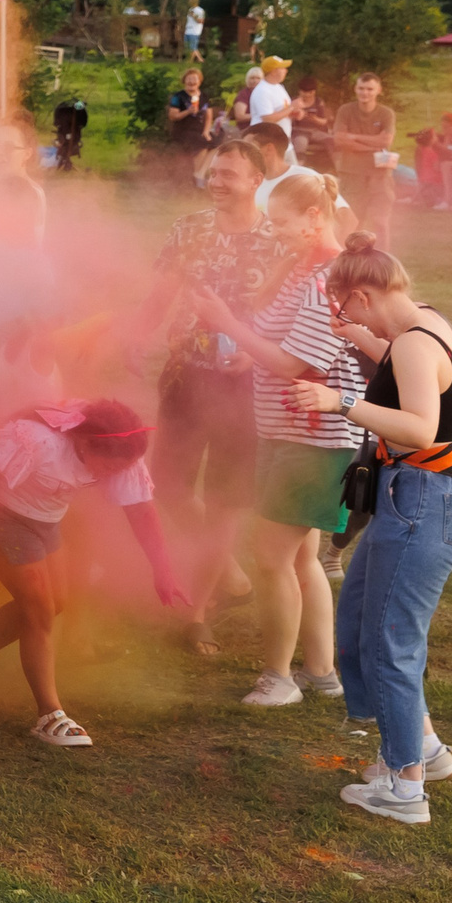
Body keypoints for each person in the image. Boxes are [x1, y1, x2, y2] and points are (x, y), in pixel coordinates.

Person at [288, 237, 452, 824]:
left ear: (362, 294)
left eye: (346, 310)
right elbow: (396, 357)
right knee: (361, 621)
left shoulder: (417, 346)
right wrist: (355, 339)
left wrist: (338, 398)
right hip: (419, 500)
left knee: (392, 644)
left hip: (425, 501)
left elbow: (420, 427)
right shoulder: (420, 324)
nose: (345, 318)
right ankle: (421, 750)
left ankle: (404, 788)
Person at [188, 171, 362, 706]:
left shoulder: (330, 279)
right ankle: (321, 671)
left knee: (270, 558)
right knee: (300, 556)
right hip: (285, 429)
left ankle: (279, 678)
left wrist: (228, 324)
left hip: (314, 437)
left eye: (283, 223)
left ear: (315, 217)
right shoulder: (300, 269)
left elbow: (297, 361)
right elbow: (278, 341)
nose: (276, 232)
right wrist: (247, 350)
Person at [0, 401, 187, 747]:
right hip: (3, 514)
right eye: (110, 467)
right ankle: (49, 715)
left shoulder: (123, 451)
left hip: (47, 520)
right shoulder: (41, 441)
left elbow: (142, 511)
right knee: (38, 609)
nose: (116, 474)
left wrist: (163, 569)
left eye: (122, 467)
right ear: (84, 444)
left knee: (54, 604)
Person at [141, 136, 284, 656]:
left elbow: (293, 313)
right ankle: (227, 570)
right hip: (184, 376)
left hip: (245, 385)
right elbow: (159, 293)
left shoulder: (277, 238)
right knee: (167, 486)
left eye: (229, 174)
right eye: (213, 172)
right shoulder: (189, 228)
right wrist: (133, 334)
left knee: (226, 499)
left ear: (256, 180)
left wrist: (258, 352)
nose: (217, 182)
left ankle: (199, 615)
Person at [332, 73, 397, 249]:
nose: (365, 93)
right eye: (361, 88)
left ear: (378, 91)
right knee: (352, 221)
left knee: (380, 221)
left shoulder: (385, 113)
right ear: (355, 89)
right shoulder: (346, 110)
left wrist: (354, 138)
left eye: (370, 89)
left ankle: (384, 261)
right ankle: (347, 259)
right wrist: (371, 144)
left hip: (379, 175)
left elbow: (385, 141)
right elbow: (339, 140)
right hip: (352, 174)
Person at [166, 66, 219, 161]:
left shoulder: (204, 96)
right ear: (184, 81)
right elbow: (172, 116)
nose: (192, 82)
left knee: (216, 143)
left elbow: (208, 116)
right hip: (184, 130)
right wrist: (188, 111)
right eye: (189, 79)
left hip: (200, 130)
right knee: (202, 144)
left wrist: (206, 131)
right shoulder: (178, 97)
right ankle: (197, 172)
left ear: (199, 81)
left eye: (195, 79)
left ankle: (203, 171)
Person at [249, 55, 296, 133]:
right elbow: (268, 119)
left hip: (282, 139)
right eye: (282, 68)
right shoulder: (262, 91)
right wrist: (292, 107)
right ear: (274, 71)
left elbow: (282, 112)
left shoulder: (279, 87)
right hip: (266, 139)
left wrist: (294, 113)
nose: (286, 71)